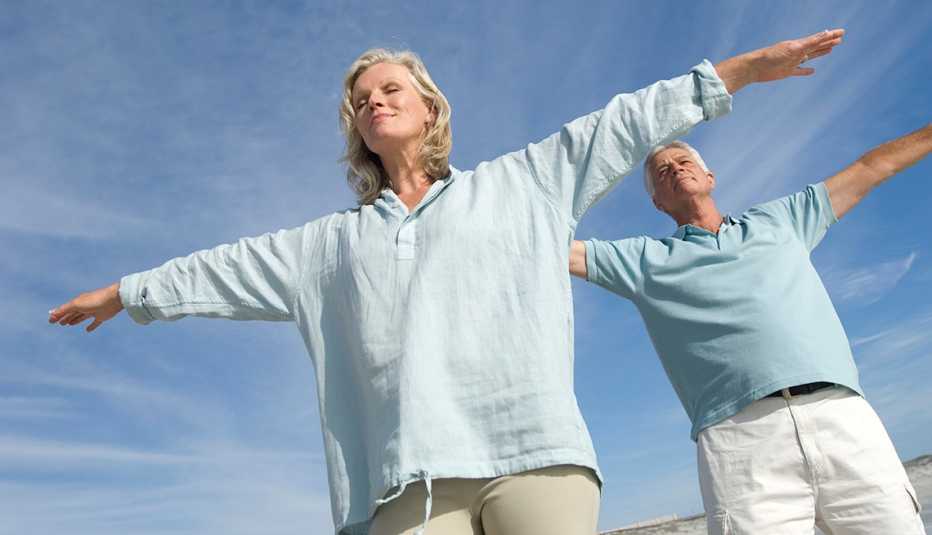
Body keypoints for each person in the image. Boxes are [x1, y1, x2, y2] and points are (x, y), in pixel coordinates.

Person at [48, 30, 845, 535]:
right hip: (408, 486)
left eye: (390, 89)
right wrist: (129, 291)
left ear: (429, 107)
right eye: (361, 101)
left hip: (537, 459)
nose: (373, 102)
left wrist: (736, 73)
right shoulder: (326, 244)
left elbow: (623, 122)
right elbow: (223, 266)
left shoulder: (522, 182)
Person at [570, 125, 932, 534]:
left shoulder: (782, 219)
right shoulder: (643, 260)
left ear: (710, 178)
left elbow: (872, 166)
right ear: (657, 202)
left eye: (683, 161)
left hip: (841, 416)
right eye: (661, 171)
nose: (673, 169)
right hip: (739, 444)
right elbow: (557, 252)